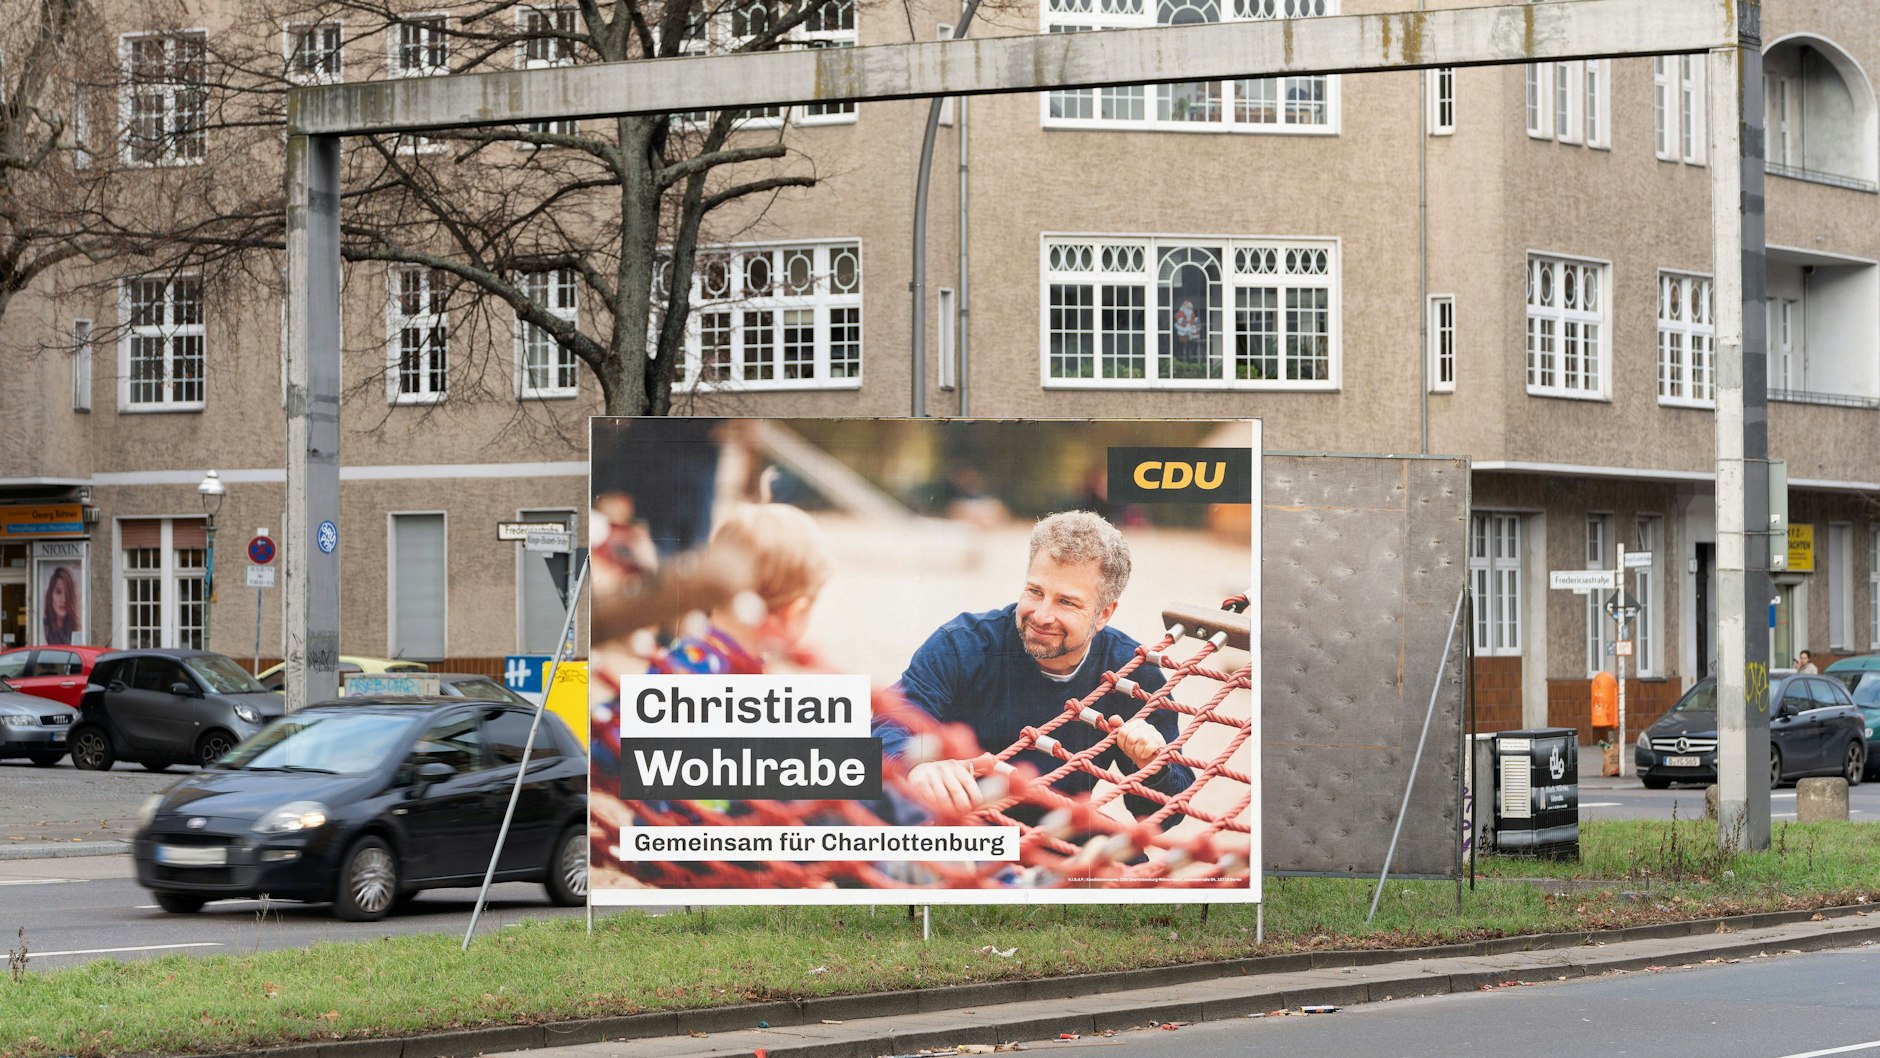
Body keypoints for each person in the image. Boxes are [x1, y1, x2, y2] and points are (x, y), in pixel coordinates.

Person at [877, 510, 1193, 820]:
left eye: (1066, 602)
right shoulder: (963, 645)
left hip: (1056, 829)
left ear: (1105, 614)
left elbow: (1161, 814)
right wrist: (916, 763)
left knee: (1134, 868)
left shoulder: (1132, 674)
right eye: (1035, 591)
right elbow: (885, 724)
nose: (1041, 615)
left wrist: (1152, 764)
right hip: (960, 824)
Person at [41, 566, 79, 646]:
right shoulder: (43, 629)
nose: (64, 599)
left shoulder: (75, 629)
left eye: (68, 593)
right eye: (58, 592)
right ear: (50, 595)